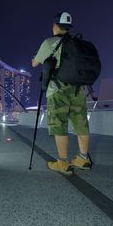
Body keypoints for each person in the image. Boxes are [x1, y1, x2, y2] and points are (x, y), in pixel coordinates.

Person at [31, 12, 91, 175]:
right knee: (81, 124)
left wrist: (36, 57)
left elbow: (35, 63)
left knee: (59, 125)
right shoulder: (77, 44)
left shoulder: (50, 42)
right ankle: (83, 158)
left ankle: (63, 163)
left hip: (58, 90)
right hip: (78, 89)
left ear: (56, 26)